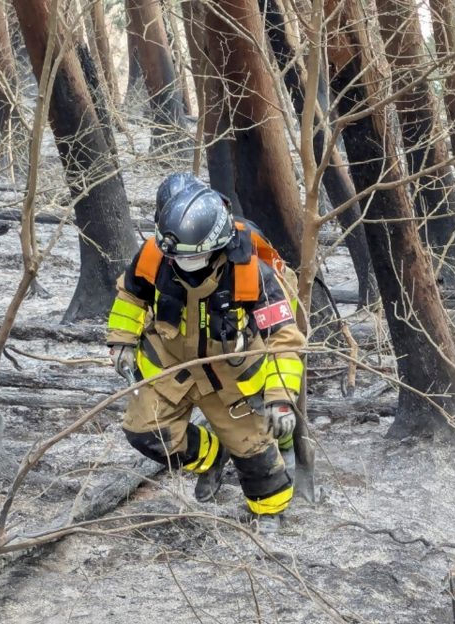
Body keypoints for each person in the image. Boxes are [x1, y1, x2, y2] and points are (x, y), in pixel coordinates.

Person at [105, 173, 305, 530]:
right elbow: (131, 294)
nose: (180, 262)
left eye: (190, 256)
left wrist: (279, 396)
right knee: (146, 434)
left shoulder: (252, 274)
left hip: (228, 374)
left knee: (255, 456)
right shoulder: (157, 253)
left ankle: (270, 511)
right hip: (170, 365)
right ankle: (211, 458)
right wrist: (121, 338)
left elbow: (284, 338)